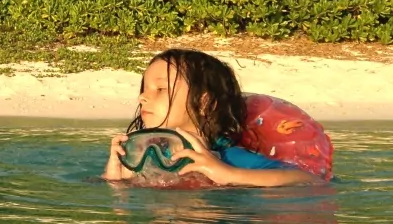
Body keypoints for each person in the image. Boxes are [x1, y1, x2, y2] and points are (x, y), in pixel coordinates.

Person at [102, 49, 317, 187]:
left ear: (204, 103)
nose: (142, 97)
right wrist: (114, 176)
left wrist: (227, 174)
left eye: (160, 89)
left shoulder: (226, 158)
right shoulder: (150, 155)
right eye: (144, 89)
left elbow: (308, 181)